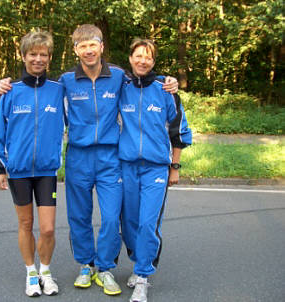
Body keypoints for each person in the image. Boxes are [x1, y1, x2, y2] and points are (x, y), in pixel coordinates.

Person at [0, 24, 179, 296]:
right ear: (75, 50)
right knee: (79, 217)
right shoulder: (66, 81)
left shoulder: (119, 76)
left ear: (102, 47)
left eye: (93, 45)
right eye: (83, 46)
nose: (89, 50)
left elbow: (146, 78)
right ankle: (86, 265)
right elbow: (38, 88)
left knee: (109, 219)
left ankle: (105, 268)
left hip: (110, 157)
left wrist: (170, 82)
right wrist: (5, 84)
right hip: (78, 158)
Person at [0, 30, 64, 297]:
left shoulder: (59, 90)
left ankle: (46, 272)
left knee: (49, 227)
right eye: (33, 54)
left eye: (43, 54)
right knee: (26, 225)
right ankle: (31, 273)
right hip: (17, 170)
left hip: (47, 170)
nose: (38, 59)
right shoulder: (10, 91)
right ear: (23, 56)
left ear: (49, 58)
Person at [118, 38, 192, 302]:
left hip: (156, 168)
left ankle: (143, 277)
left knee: (148, 223)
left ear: (153, 61)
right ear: (130, 58)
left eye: (148, 57)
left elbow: (179, 130)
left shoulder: (166, 89)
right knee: (128, 224)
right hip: (126, 166)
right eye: (138, 55)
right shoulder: (121, 86)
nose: (142, 60)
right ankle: (138, 263)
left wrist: (175, 166)